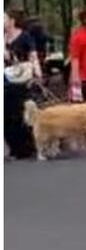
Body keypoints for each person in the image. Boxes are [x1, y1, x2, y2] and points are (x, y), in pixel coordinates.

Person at [4, 11, 40, 159]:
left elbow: (33, 55)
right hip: (6, 79)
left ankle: (28, 147)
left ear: (12, 21)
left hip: (22, 78)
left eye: (4, 18)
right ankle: (14, 147)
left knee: (22, 113)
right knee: (6, 115)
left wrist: (37, 72)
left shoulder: (24, 36)